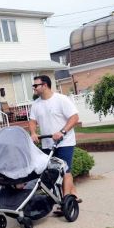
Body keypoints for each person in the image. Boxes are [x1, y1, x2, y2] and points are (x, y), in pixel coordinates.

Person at [28, 75, 82, 206]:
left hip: (65, 142)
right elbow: (32, 121)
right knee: (52, 172)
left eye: (36, 85)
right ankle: (73, 194)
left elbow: (74, 117)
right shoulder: (36, 104)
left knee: (64, 170)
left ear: (45, 85)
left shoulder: (61, 99)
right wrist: (33, 133)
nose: (33, 88)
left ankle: (67, 202)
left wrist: (62, 132)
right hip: (47, 143)